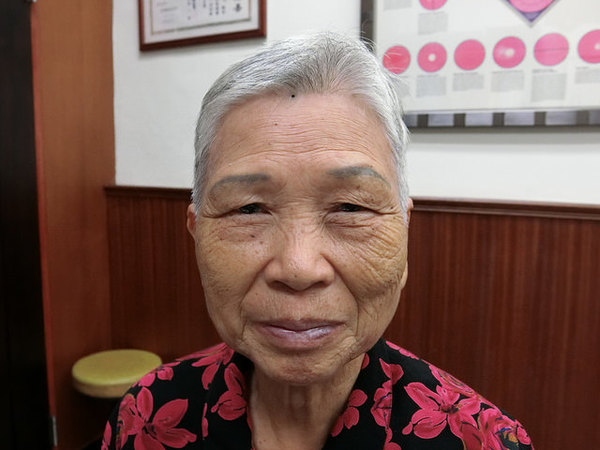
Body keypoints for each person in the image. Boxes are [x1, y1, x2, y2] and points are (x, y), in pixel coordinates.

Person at [103, 32, 533, 449]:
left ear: (404, 231)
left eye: (350, 207)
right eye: (249, 209)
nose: (298, 267)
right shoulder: (148, 416)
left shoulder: (480, 439)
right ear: (197, 236)